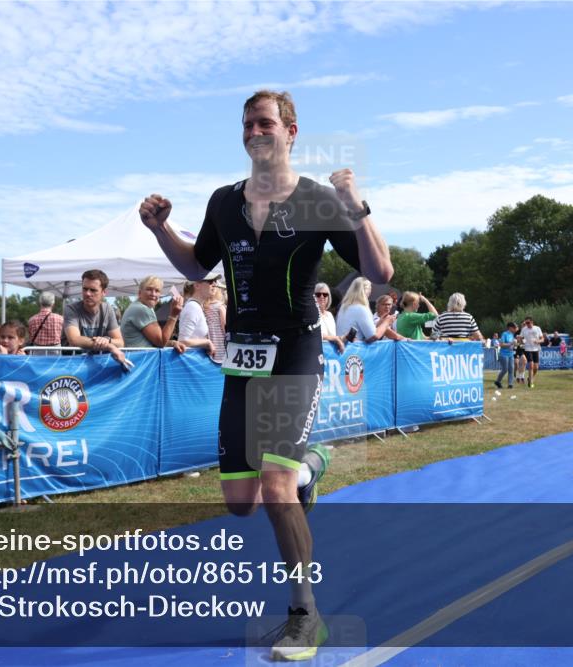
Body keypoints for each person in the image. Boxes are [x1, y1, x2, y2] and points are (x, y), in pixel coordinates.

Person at [139, 89, 393, 661]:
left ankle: (306, 614)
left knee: (275, 491)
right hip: (243, 358)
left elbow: (379, 270)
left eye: (266, 122)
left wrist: (357, 204)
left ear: (291, 131)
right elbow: (196, 264)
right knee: (240, 502)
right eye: (248, 123)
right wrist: (160, 230)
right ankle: (309, 466)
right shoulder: (224, 201)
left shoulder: (319, 199)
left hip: (297, 351)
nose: (256, 131)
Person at [63, 269, 129, 366]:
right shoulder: (71, 309)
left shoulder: (107, 309)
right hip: (72, 365)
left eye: (93, 290)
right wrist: (109, 346)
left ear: (104, 292)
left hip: (95, 365)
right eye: (85, 289)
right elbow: (74, 340)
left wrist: (106, 339)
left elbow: (120, 342)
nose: (87, 294)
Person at [120, 275, 187, 352]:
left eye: (157, 291)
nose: (153, 294)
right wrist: (174, 315)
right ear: (140, 293)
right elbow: (161, 342)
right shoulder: (141, 309)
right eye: (149, 289)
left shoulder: (144, 307)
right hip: (140, 360)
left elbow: (155, 342)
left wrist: (173, 343)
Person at [336, 277, 394, 343]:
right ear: (366, 290)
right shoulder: (361, 308)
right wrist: (386, 322)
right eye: (370, 288)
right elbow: (373, 336)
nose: (370, 292)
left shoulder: (344, 306)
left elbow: (363, 331)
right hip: (354, 350)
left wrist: (379, 323)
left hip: (343, 348)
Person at [178, 275, 218, 355]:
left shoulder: (196, 306)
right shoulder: (193, 307)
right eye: (210, 281)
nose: (214, 284)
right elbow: (182, 341)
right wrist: (207, 342)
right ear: (197, 285)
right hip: (192, 360)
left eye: (215, 281)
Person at [314, 282, 345, 353]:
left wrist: (343, 337)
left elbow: (333, 336)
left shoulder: (330, 315)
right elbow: (316, 334)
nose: (322, 297)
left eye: (325, 294)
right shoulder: (312, 315)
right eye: (318, 294)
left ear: (328, 297)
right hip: (318, 353)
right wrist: (335, 338)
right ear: (314, 297)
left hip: (332, 354)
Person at [205, 278, 228, 362]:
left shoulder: (203, 306)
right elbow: (225, 326)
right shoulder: (220, 306)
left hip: (208, 341)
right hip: (220, 342)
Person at [519, 316, 545, 388]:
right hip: (527, 349)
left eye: (528, 322)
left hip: (536, 349)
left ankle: (530, 378)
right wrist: (521, 343)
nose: (527, 324)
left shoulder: (537, 328)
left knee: (536, 367)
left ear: (532, 322)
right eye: (526, 323)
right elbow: (520, 338)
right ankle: (531, 383)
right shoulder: (524, 329)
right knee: (531, 365)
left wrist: (538, 341)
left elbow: (542, 339)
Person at [494, 321, 518, 389]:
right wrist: (511, 343)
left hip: (510, 354)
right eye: (514, 327)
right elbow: (501, 345)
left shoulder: (512, 335)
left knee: (511, 369)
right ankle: (498, 381)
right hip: (504, 354)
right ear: (510, 328)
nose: (515, 329)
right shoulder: (504, 334)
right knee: (505, 369)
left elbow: (512, 344)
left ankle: (510, 384)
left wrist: (515, 344)